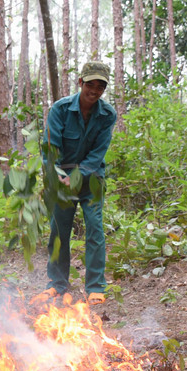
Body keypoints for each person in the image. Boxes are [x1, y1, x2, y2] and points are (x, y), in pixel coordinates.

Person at [41, 61, 117, 305]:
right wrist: (59, 176)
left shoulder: (107, 115)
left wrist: (79, 175)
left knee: (94, 228)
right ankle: (57, 284)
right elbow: (51, 150)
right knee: (59, 231)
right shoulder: (60, 110)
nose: (94, 90)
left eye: (100, 86)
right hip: (62, 179)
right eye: (90, 84)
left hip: (91, 179)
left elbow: (98, 153)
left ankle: (95, 286)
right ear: (80, 82)